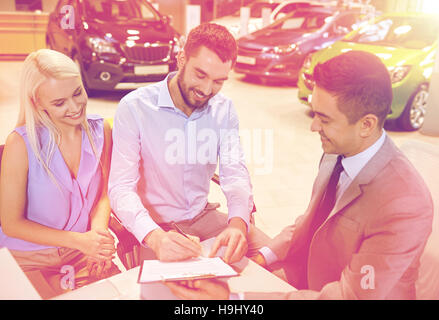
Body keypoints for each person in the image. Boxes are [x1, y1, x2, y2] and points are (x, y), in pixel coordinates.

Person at [165, 50, 434, 300]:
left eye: (325, 119)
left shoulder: (404, 203)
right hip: (308, 276)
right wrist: (262, 257)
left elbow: (349, 296)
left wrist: (235, 298)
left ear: (366, 124)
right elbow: (312, 219)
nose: (313, 127)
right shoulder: (337, 151)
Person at [108, 23, 270, 264]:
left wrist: (237, 223)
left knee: (275, 257)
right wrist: (154, 238)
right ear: (181, 59)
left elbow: (234, 173)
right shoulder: (135, 108)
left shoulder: (224, 109)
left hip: (204, 216)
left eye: (218, 81)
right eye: (200, 75)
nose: (206, 90)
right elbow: (120, 188)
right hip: (158, 227)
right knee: (177, 293)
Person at [0, 49, 120, 299]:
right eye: (59, 102)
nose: (75, 107)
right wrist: (81, 241)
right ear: (37, 102)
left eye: (77, 93)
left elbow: (104, 194)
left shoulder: (102, 130)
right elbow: (11, 224)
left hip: (80, 253)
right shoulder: (20, 144)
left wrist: (96, 237)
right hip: (26, 258)